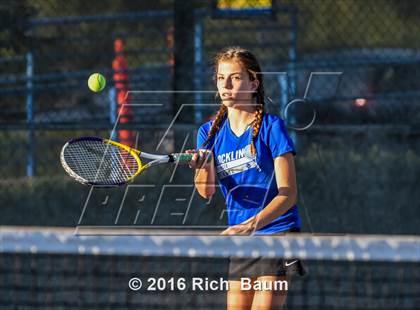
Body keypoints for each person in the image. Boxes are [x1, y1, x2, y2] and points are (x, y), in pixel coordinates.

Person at [186, 47, 305, 309]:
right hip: (241, 239)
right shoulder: (207, 133)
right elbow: (206, 192)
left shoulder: (272, 127)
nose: (226, 85)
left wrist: (252, 224)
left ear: (254, 82)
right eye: (220, 78)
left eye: (235, 78)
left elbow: (289, 194)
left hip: (278, 233)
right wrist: (203, 166)